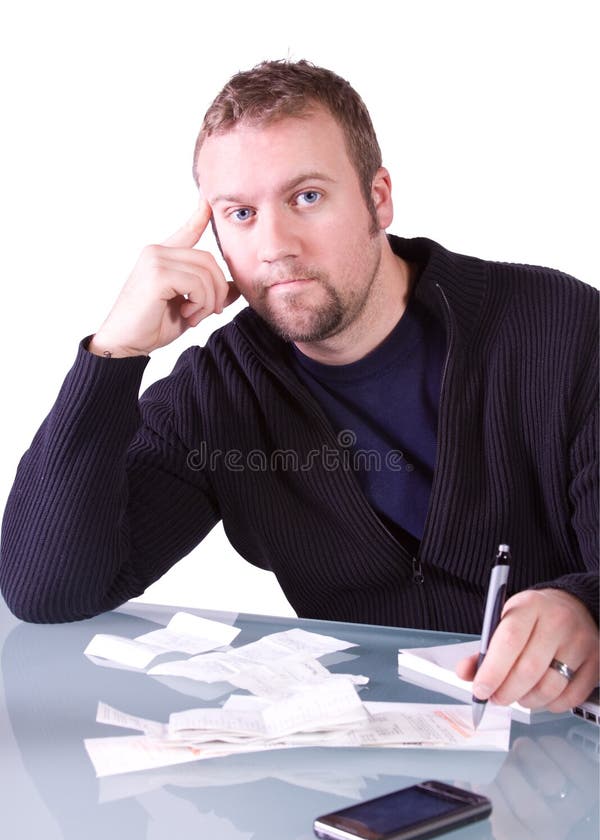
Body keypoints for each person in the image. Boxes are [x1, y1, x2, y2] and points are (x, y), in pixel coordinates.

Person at [0, 60, 597, 714]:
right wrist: (113, 353)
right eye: (241, 212)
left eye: (306, 197)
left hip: (565, 758)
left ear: (378, 198)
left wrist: (584, 606)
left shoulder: (559, 328)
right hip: (359, 781)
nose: (275, 245)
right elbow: (46, 589)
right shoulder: (220, 394)